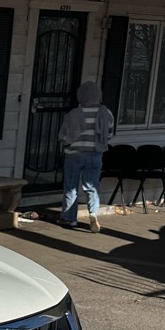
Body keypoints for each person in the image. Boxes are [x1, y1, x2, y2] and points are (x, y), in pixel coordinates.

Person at [56, 80, 113, 233]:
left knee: (71, 187)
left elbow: (63, 136)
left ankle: (69, 218)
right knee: (92, 186)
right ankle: (93, 214)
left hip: (74, 155)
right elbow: (110, 133)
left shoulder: (73, 114)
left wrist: (68, 143)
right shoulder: (106, 113)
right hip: (95, 155)